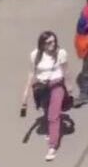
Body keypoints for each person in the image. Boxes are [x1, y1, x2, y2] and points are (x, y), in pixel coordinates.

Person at [22, 30, 68, 162]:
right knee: (46, 110)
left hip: (57, 85)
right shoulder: (35, 55)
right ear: (42, 44)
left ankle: (52, 146)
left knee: (54, 116)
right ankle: (51, 131)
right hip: (42, 87)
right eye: (49, 43)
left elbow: (66, 70)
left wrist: (69, 88)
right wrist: (26, 90)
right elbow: (32, 73)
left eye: (54, 41)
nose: (52, 44)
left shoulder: (61, 53)